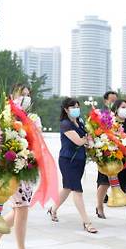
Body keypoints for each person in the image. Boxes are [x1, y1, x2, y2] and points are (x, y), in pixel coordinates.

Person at [0, 84, 39, 249]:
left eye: (28, 95)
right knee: (23, 208)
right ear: (12, 96)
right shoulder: (5, 116)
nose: (25, 98)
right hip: (11, 168)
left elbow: (37, 143)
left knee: (20, 209)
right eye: (21, 95)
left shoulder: (32, 118)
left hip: (27, 167)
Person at [48, 98, 98, 233]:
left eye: (77, 106)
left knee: (67, 188)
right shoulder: (65, 124)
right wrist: (86, 140)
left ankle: (53, 209)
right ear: (66, 110)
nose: (76, 109)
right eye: (73, 107)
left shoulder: (80, 122)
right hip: (67, 160)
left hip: (80, 160)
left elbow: (88, 138)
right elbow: (79, 141)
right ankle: (86, 222)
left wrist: (87, 140)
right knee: (77, 189)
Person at [95, 90, 119, 211]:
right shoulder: (101, 114)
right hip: (104, 148)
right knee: (103, 176)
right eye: (112, 100)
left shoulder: (118, 114)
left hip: (117, 149)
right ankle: (100, 202)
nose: (114, 102)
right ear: (105, 101)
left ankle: (113, 195)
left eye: (116, 100)